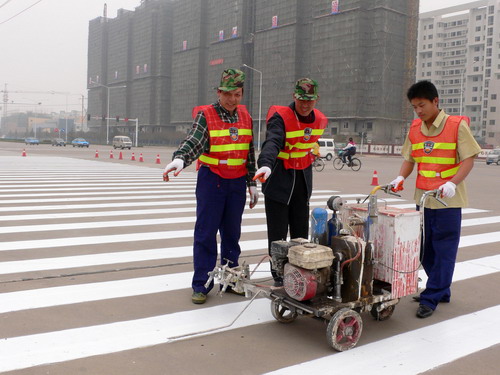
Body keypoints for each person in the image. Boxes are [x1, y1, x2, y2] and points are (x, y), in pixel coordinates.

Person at [163, 68, 258, 304]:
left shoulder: (246, 118)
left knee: (231, 233)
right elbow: (195, 140)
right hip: (212, 180)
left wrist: (252, 183)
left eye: (237, 94)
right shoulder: (207, 115)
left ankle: (231, 279)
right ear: (219, 92)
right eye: (227, 94)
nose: (232, 99)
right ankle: (202, 284)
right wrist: (180, 159)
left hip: (236, 182)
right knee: (206, 233)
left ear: (241, 94)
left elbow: (249, 153)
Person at [389, 80, 481, 319]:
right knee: (423, 250)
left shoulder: (456, 125)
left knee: (444, 248)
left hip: (448, 201)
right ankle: (442, 289)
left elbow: (468, 159)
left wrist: (453, 182)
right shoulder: (415, 128)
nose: (419, 111)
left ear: (435, 101)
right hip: (423, 199)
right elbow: (410, 159)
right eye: (415, 107)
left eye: (422, 105)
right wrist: (401, 177)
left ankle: (432, 296)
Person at [254, 78, 328, 286]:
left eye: (310, 101)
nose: (305, 105)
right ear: (294, 97)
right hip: (278, 179)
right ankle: (278, 274)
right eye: (301, 99)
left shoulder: (320, 119)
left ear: (316, 99)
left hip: (302, 181)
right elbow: (272, 141)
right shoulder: (281, 117)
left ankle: (299, 273)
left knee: (300, 233)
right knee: (277, 233)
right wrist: (266, 164)